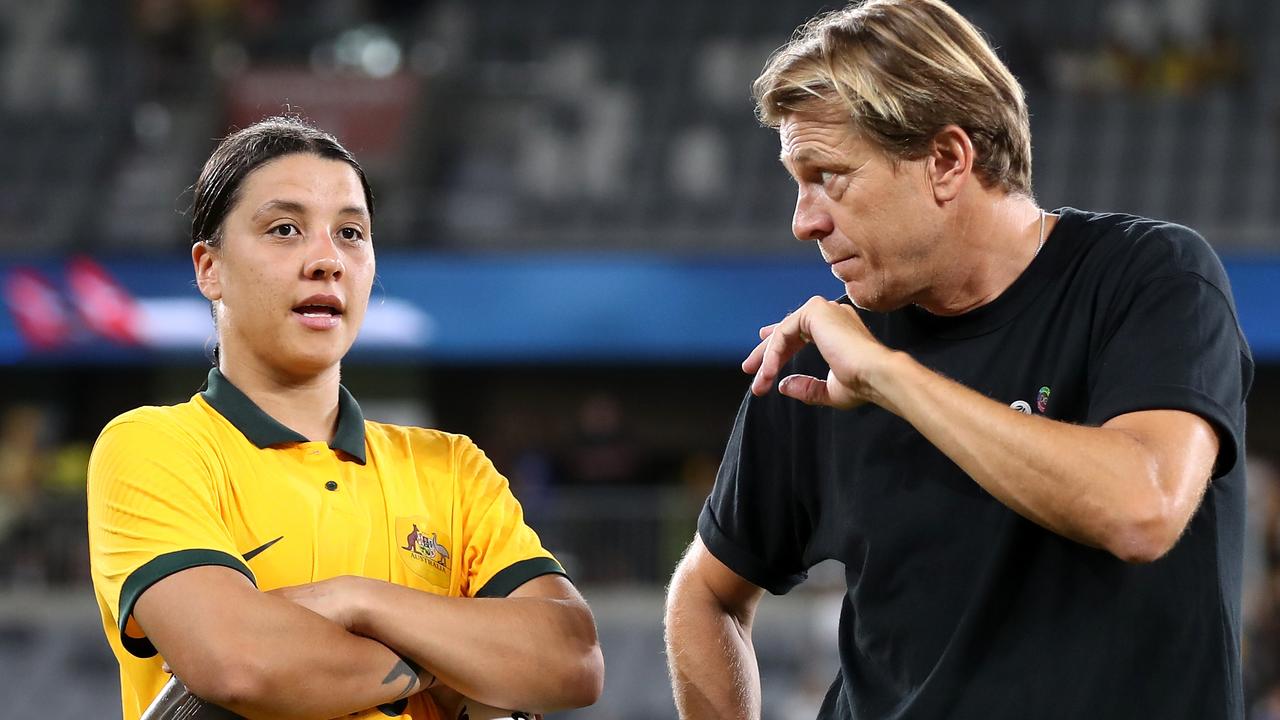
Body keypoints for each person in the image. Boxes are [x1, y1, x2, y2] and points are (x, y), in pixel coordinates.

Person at [663, 1, 1253, 718]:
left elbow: (1141, 508)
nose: (803, 220)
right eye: (797, 180)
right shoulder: (819, 359)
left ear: (946, 160)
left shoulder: (1150, 277)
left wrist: (888, 378)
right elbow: (705, 594)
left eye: (829, 176)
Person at [87, 117, 604, 720]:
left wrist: (355, 600)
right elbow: (238, 663)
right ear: (210, 268)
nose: (327, 260)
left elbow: (572, 660)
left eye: (351, 233)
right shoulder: (154, 446)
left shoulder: (452, 467)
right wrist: (458, 656)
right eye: (285, 229)